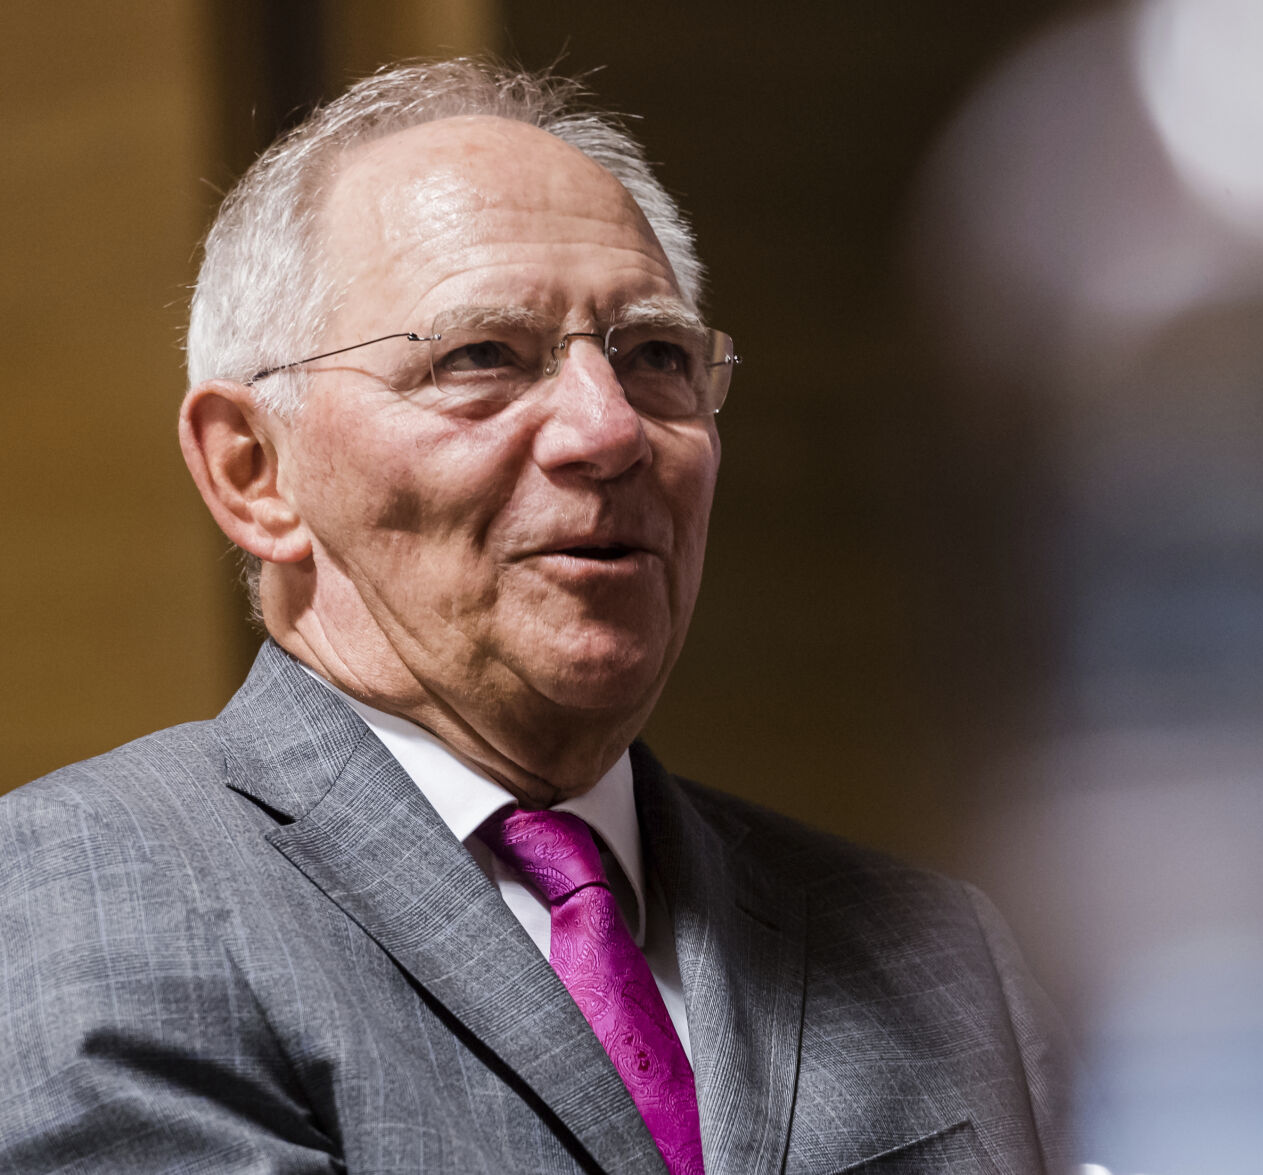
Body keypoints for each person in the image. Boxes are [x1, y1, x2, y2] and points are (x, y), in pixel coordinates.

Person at [0, 59, 1067, 1173]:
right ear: (255, 469)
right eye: (479, 358)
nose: (607, 432)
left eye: (656, 356)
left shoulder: (942, 948)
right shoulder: (89, 889)